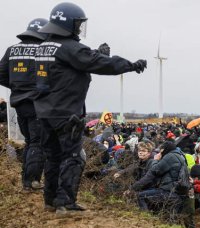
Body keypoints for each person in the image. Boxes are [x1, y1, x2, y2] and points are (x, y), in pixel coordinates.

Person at [35, 2, 147, 215]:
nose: (79, 29)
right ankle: (65, 203)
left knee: (53, 156)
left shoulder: (45, 47)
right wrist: (130, 65)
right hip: (66, 113)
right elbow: (96, 63)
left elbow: (74, 63)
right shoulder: (69, 47)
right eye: (77, 25)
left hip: (44, 111)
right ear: (68, 24)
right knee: (74, 156)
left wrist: (96, 54)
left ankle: (50, 200)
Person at [0, 18, 49, 190]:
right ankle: (32, 181)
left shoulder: (11, 50)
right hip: (38, 104)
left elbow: (1, 75)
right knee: (38, 142)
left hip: (19, 104)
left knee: (30, 141)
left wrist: (17, 87)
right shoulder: (44, 51)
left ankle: (27, 180)